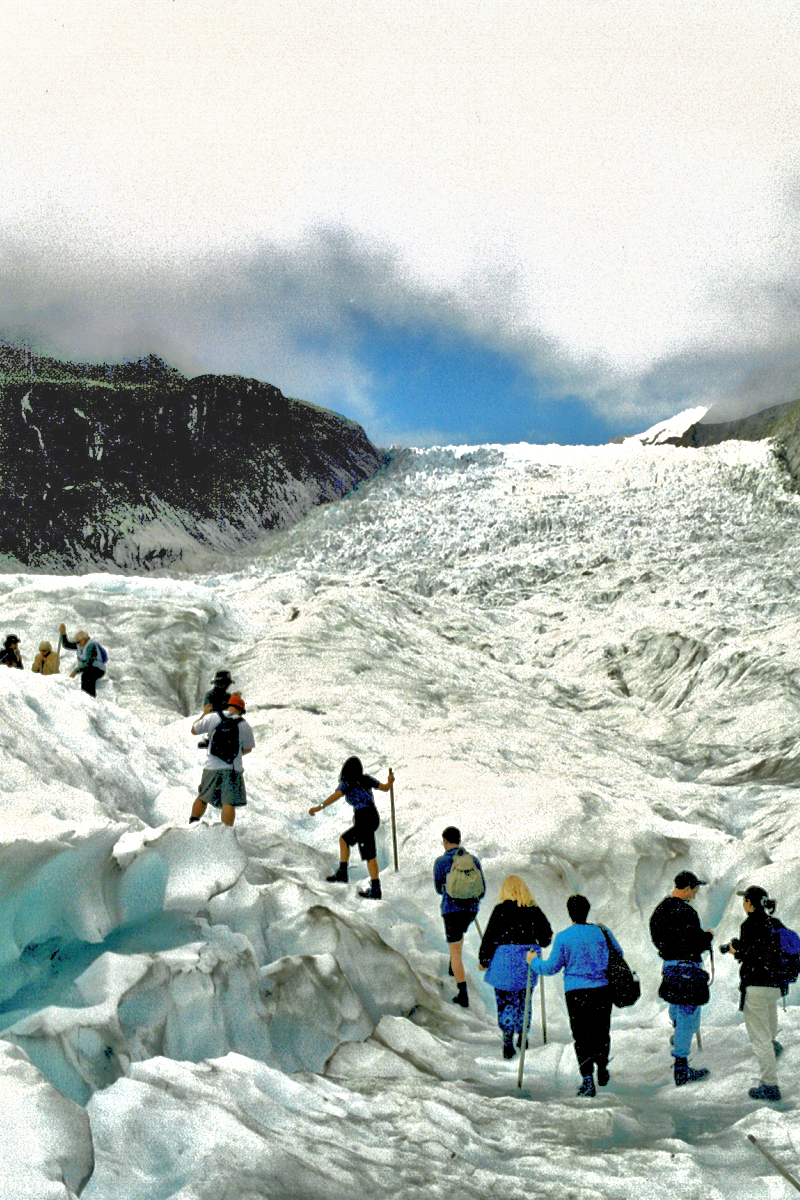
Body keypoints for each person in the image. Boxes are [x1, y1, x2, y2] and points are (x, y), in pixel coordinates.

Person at [527, 894, 624, 1096]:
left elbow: (551, 968)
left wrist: (533, 961)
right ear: (588, 910)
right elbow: (618, 954)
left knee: (582, 1035)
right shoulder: (601, 931)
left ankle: (587, 1079)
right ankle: (602, 1066)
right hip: (602, 990)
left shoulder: (564, 937)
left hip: (576, 993)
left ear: (569, 913)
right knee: (601, 1031)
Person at [721, 885, 785, 1102]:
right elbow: (766, 950)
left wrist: (734, 951)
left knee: (759, 1038)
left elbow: (752, 955)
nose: (743, 903)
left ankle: (770, 1085)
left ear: (749, 903)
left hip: (756, 985)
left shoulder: (749, 924)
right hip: (775, 985)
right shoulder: (773, 923)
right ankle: (773, 1047)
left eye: (745, 900)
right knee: (769, 1021)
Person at [650, 870, 713, 1086]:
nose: (695, 895)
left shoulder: (659, 911)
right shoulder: (686, 912)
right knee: (689, 1014)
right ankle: (681, 1067)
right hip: (689, 969)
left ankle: (678, 1042)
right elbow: (696, 944)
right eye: (694, 890)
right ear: (686, 888)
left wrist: (669, 951)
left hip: (670, 967)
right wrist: (708, 937)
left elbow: (657, 939)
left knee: (678, 1008)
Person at [479, 876, 552, 1058]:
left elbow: (490, 938)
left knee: (504, 1000)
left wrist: (484, 960)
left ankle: (507, 1036)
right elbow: (546, 938)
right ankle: (523, 1034)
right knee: (523, 999)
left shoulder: (500, 911)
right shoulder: (533, 910)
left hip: (503, 963)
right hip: (525, 963)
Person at [308, 757, 395, 900]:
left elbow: (336, 796)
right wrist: (390, 780)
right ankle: (348, 875)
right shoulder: (366, 779)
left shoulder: (347, 783)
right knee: (346, 840)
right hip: (373, 816)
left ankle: (373, 888)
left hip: (363, 817)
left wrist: (319, 807)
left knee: (368, 853)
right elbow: (385, 788)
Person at [433, 827, 486, 1007]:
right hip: (471, 910)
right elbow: (482, 889)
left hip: (451, 909)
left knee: (455, 950)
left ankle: (462, 993)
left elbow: (438, 888)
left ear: (445, 841)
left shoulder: (441, 862)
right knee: (458, 940)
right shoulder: (473, 861)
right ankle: (452, 966)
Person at [189, 693, 255, 827]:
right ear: (241, 710)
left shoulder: (214, 717)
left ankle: (193, 823)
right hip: (232, 769)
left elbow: (194, 730)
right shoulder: (244, 725)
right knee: (228, 803)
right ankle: (226, 833)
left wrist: (204, 714)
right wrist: (234, 754)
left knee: (202, 797)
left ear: (228, 706)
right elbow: (248, 749)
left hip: (211, 766)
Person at [58, 625, 106, 696]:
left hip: (98, 669)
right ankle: (85, 696)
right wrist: (63, 633)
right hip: (88, 668)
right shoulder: (80, 645)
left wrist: (75, 671)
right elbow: (67, 645)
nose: (77, 644)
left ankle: (90, 697)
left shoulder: (91, 646)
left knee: (87, 675)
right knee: (86, 675)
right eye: (77, 642)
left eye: (79, 642)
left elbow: (88, 663)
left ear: (84, 639)